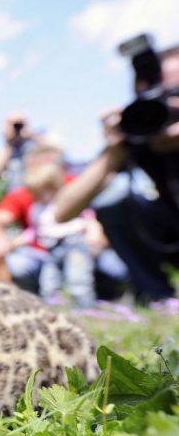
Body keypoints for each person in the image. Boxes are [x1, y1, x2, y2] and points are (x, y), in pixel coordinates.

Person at [52, 45, 179, 303]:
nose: (169, 104)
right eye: (157, 96)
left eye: (175, 93)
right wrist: (114, 151)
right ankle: (160, 298)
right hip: (170, 234)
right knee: (113, 198)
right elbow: (62, 211)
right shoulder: (139, 139)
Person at [0, 144, 128, 304]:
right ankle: (49, 303)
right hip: (46, 253)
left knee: (83, 275)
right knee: (49, 279)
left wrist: (94, 229)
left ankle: (89, 303)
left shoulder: (76, 186)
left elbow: (90, 216)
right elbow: (26, 229)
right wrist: (6, 241)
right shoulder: (29, 196)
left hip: (79, 246)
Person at [0, 112, 44, 190]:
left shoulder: (36, 143)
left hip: (38, 193)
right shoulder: (5, 149)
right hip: (17, 194)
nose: (17, 128)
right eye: (14, 125)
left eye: (20, 124)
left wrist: (31, 135)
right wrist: (10, 143)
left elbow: (58, 150)